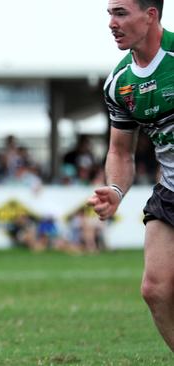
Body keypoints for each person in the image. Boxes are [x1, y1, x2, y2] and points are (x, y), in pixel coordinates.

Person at [88, 0, 174, 352]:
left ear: (150, 15)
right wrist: (115, 188)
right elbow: (120, 152)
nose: (111, 22)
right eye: (110, 13)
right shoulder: (119, 83)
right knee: (155, 289)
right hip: (169, 191)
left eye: (120, 13)